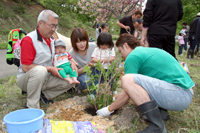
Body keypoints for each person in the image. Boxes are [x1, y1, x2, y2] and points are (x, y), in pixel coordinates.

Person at [96, 33, 194, 133]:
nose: (121, 55)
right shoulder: (144, 51)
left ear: (126, 45)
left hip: (178, 95)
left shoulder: (133, 56)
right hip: (184, 93)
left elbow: (128, 88)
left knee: (127, 79)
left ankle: (157, 126)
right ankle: (161, 112)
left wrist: (108, 109)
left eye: (120, 51)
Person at [17, 10, 75, 109]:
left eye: (56, 26)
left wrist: (71, 62)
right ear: (41, 23)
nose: (54, 29)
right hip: (28, 79)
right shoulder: (29, 40)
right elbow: (26, 67)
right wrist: (49, 69)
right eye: (52, 26)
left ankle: (44, 94)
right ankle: (32, 105)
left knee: (71, 79)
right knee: (41, 70)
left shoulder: (52, 40)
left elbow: (60, 57)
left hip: (47, 77)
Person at [69, 28, 97, 93]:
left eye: (84, 41)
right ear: (74, 42)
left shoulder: (93, 46)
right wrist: (88, 65)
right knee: (84, 82)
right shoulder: (72, 53)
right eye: (78, 42)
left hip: (95, 71)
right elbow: (76, 72)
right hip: (83, 74)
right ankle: (78, 87)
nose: (82, 44)